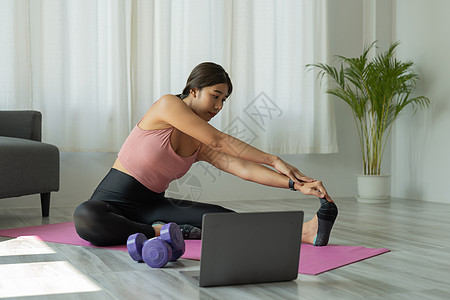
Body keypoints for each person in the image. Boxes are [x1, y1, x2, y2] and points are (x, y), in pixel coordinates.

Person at [73, 62, 338, 247]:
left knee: (224, 219)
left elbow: (242, 169)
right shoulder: (167, 105)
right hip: (111, 204)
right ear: (193, 90)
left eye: (224, 100)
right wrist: (274, 159)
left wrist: (295, 184)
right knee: (85, 216)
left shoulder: (200, 142)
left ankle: (305, 232)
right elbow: (219, 140)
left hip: (153, 207)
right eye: (215, 96)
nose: (219, 106)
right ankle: (157, 232)